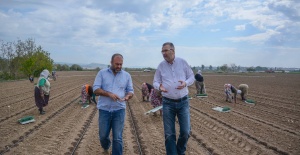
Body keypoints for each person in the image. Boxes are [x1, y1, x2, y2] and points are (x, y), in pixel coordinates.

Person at [153, 42, 195, 155]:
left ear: (173, 51)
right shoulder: (161, 66)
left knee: (186, 131)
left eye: (166, 50)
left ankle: (180, 152)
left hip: (183, 102)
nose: (164, 53)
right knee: (169, 134)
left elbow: (192, 76)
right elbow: (155, 81)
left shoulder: (182, 62)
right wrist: (159, 86)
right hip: (168, 103)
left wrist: (185, 83)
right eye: (162, 51)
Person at [93, 53, 134, 155]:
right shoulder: (102, 73)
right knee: (103, 136)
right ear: (111, 62)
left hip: (119, 110)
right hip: (104, 110)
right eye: (117, 64)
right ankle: (106, 146)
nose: (119, 66)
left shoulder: (127, 75)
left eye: (121, 64)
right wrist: (108, 94)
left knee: (118, 137)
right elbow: (95, 89)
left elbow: (130, 91)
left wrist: (128, 96)